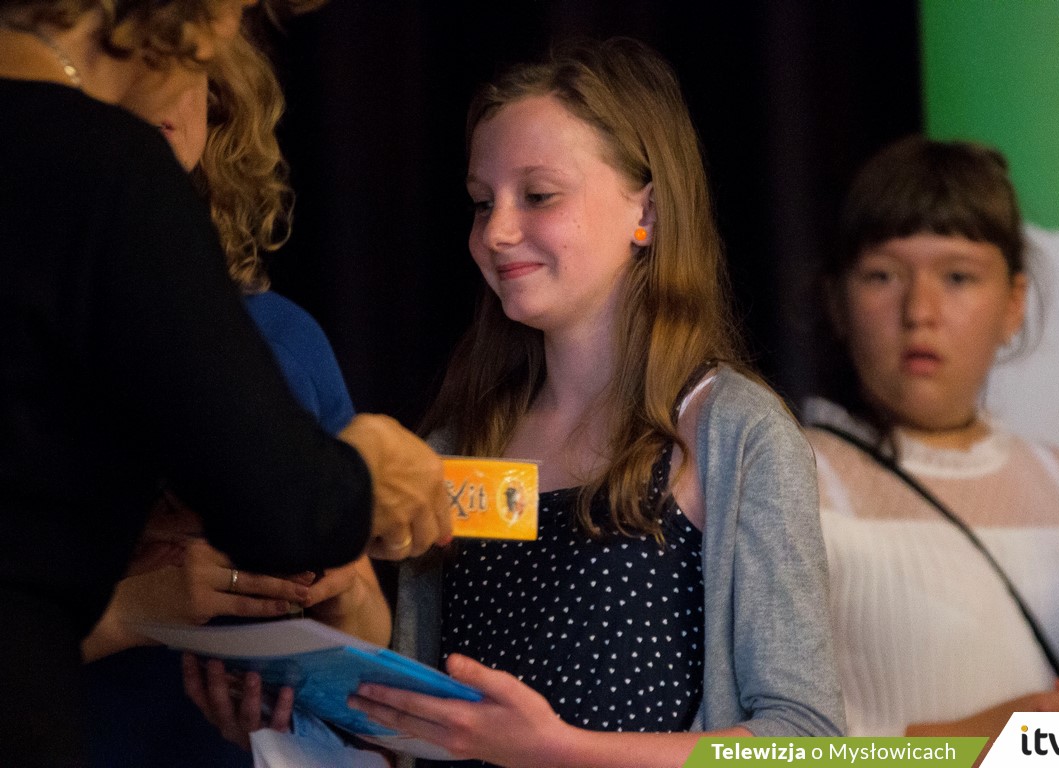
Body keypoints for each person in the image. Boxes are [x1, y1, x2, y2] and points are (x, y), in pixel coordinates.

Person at [336, 37, 841, 767]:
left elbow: (807, 741)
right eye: (482, 203)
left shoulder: (735, 434)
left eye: (539, 196)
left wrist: (562, 751)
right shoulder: (455, 442)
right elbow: (415, 728)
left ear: (648, 212)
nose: (497, 231)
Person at [0, 2, 450, 765]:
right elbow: (288, 505)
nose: (227, 37)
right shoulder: (99, 164)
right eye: (236, 7)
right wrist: (370, 469)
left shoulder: (283, 331)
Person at [81, 28, 391, 768]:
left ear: (218, 104)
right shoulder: (39, 329)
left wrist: (338, 592)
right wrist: (143, 607)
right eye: (130, 57)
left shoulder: (284, 334)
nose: (161, 85)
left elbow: (371, 629)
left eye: (183, 63)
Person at [802, 135, 1059, 738]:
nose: (920, 311)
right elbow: (746, 746)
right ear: (837, 299)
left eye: (957, 277)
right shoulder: (795, 477)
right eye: (882, 275)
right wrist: (960, 744)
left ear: (1013, 303)